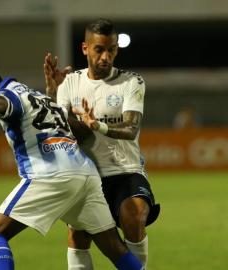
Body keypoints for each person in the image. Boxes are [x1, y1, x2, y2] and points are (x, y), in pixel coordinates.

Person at [0, 64, 144, 270]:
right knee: (115, 248)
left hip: (50, 174)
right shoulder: (41, 98)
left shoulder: (7, 94)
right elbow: (85, 135)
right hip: (86, 174)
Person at [44, 18, 160, 269]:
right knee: (78, 234)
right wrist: (53, 96)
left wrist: (98, 125)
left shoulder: (132, 82)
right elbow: (60, 129)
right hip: (86, 173)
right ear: (85, 48)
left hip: (125, 171)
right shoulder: (70, 83)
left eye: (112, 49)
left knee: (134, 215)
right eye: (99, 49)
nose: (106, 56)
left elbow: (130, 129)